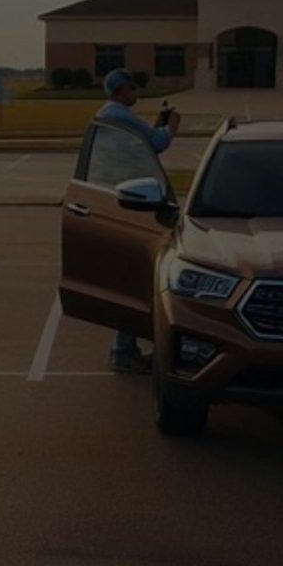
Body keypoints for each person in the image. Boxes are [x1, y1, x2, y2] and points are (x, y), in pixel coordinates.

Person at [97, 67, 181, 373]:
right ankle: (123, 350)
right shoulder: (120, 114)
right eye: (133, 87)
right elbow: (157, 144)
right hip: (135, 205)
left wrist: (157, 125)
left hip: (122, 196)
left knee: (133, 274)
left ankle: (126, 346)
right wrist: (171, 126)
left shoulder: (109, 113)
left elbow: (140, 142)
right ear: (122, 90)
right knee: (139, 274)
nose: (136, 92)